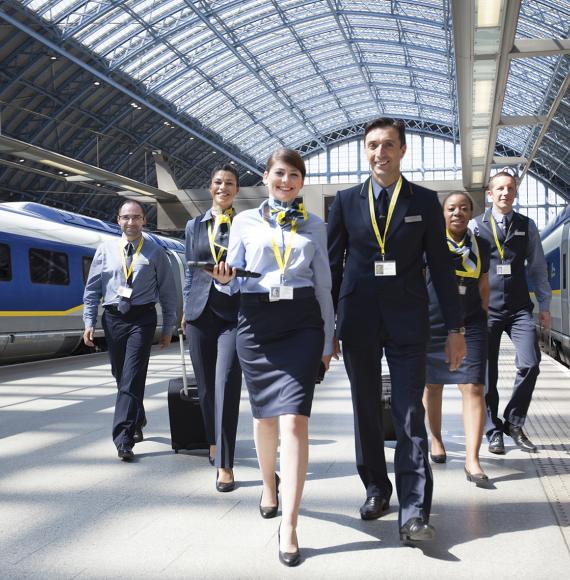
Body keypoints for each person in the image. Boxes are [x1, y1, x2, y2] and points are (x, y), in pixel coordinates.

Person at [327, 117, 465, 543]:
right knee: (366, 408)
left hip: (409, 322)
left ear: (403, 150)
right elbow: (332, 269)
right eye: (372, 145)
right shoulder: (346, 202)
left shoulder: (424, 201)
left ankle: (414, 510)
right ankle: (376, 488)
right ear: (365, 151)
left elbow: (442, 269)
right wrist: (328, 328)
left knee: (409, 413)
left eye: (388, 145)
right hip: (359, 321)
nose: (379, 153)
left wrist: (455, 328)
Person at [212, 148, 334, 567]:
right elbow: (234, 282)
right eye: (279, 173)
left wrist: (327, 340)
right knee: (264, 418)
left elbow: (323, 288)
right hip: (256, 322)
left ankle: (291, 525)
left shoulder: (316, 225)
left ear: (302, 182)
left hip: (302, 322)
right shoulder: (244, 222)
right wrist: (224, 280)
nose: (286, 181)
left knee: (295, 420)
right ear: (265, 177)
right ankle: (269, 485)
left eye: (294, 175)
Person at [83, 200, 177, 461]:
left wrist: (167, 327)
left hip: (142, 319)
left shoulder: (156, 252)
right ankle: (137, 416)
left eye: (136, 217)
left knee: (132, 373)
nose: (131, 222)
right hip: (113, 318)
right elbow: (92, 290)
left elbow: (168, 294)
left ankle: (123, 438)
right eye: (126, 217)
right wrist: (89, 321)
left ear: (144, 220)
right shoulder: (104, 251)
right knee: (120, 374)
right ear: (118, 220)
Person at [471, 170, 551, 455]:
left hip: (519, 309)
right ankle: (493, 431)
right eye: (500, 189)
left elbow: (538, 268)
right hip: (486, 310)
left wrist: (545, 305)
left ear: (515, 193)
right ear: (490, 194)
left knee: (530, 363)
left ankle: (514, 422)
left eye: (510, 189)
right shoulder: (475, 226)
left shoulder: (526, 226)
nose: (506, 193)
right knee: (487, 374)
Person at [423, 192, 491, 484]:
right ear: (443, 214)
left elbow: (484, 285)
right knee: (433, 385)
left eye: (464, 208)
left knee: (473, 386)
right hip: (432, 322)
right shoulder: (429, 246)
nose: (458, 213)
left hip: (471, 322)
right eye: (452, 208)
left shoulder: (483, 246)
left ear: (471, 213)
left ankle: (472, 459)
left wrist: (482, 318)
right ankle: (436, 439)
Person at [182, 164, 242, 492]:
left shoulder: (246, 225)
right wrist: (184, 309)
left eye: (229, 183)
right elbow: (190, 271)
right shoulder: (194, 226)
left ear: (236, 190)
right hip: (200, 313)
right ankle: (213, 441)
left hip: (234, 314)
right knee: (206, 389)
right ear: (210, 188)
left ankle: (225, 465)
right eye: (218, 182)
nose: (223, 187)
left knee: (226, 385)